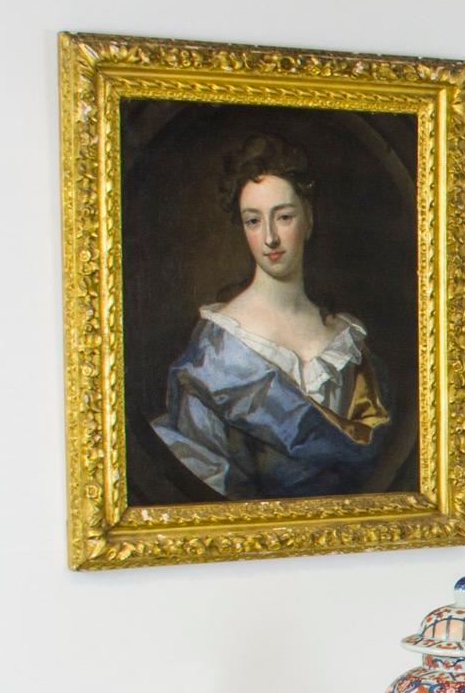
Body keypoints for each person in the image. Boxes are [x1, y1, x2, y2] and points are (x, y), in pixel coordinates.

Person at [152, 135, 396, 498]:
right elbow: (206, 475)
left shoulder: (349, 343)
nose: (269, 238)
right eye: (253, 221)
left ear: (308, 219)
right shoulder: (216, 349)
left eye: (283, 217)